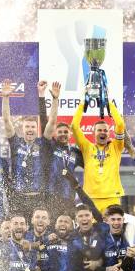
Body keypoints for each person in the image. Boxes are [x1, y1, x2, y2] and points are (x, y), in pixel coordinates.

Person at [71, 90, 126, 213]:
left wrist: (108, 102)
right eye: (99, 130)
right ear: (93, 133)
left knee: (114, 230)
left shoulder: (116, 147)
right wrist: (83, 103)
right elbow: (74, 126)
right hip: (91, 197)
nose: (102, 132)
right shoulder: (87, 147)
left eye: (105, 130)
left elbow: (120, 124)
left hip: (112, 196)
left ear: (109, 133)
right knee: (93, 232)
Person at [2, 80, 50, 219]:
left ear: (36, 129)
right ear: (22, 129)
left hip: (38, 198)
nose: (30, 129)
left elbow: (47, 122)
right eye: (27, 127)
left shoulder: (43, 143)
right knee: (17, 229)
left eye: (32, 127)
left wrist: (41, 95)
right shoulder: (16, 142)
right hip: (17, 198)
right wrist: (5, 98)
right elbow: (6, 120)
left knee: (37, 231)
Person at [41, 82, 84, 217]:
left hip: (69, 199)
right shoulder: (50, 146)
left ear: (70, 134)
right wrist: (54, 99)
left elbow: (92, 167)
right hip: (50, 199)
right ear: (55, 134)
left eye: (66, 132)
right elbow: (46, 122)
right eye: (60, 132)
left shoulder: (76, 152)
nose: (63, 134)